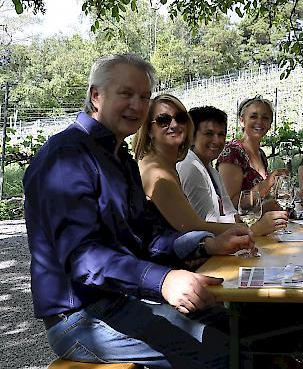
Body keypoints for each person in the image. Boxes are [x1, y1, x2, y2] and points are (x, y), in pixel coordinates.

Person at [23, 54, 256, 368]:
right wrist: (163, 282)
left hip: (125, 299)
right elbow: (83, 257)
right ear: (96, 95)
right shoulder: (66, 156)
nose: (137, 105)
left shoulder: (121, 159)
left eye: (144, 97)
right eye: (126, 94)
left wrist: (207, 244)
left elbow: (148, 236)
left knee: (234, 325)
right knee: (224, 356)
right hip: (80, 319)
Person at [135, 96, 287, 236]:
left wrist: (259, 214)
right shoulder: (167, 171)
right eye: (163, 120)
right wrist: (252, 229)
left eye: (181, 118)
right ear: (149, 129)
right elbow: (193, 227)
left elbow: (227, 215)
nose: (174, 124)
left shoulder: (203, 168)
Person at [217, 95, 287, 206]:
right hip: (241, 222)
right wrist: (268, 183)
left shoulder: (261, 154)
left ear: (270, 124)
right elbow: (230, 204)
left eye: (265, 118)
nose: (259, 121)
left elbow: (260, 197)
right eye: (254, 116)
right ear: (242, 121)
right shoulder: (232, 153)